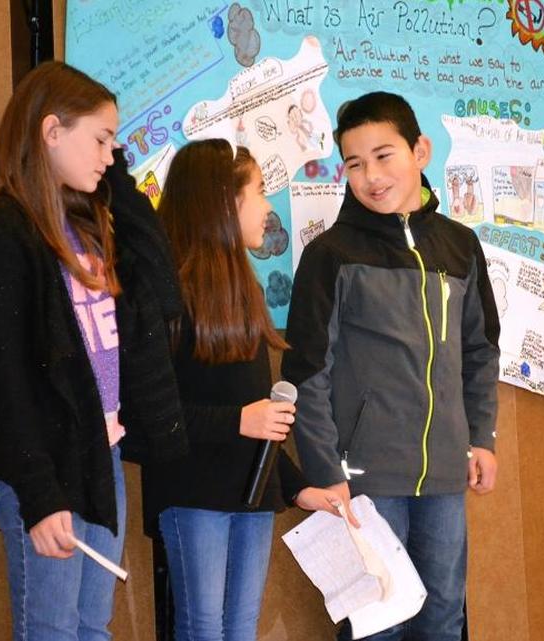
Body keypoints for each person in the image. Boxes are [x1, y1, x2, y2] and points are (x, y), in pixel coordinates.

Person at [0, 61, 187, 641]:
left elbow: (162, 287)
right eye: (101, 140)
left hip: (96, 453)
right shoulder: (3, 233)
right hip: (44, 464)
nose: (110, 153)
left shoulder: (85, 224)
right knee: (53, 630)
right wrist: (39, 493)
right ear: (51, 131)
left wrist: (118, 179)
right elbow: (3, 378)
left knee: (91, 627)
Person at [282, 91, 501, 641]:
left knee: (444, 617)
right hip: (365, 482)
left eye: (384, 156)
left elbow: (480, 350)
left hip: (446, 477)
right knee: (376, 623)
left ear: (420, 151)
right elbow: (308, 373)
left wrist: (482, 437)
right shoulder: (330, 254)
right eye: (354, 164)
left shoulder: (461, 246)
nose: (371, 175)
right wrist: (326, 470)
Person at [145, 139, 342, 641]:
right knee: (204, 628)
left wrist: (299, 489)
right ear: (224, 203)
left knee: (240, 629)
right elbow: (152, 414)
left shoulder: (243, 290)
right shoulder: (168, 294)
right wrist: (237, 421)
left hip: (253, 496)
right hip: (193, 493)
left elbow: (264, 417)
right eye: (258, 191)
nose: (268, 206)